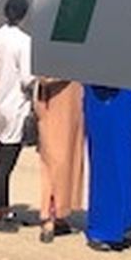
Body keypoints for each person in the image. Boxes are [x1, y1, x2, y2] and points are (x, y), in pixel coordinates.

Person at [0, 0, 34, 230]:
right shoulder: (24, 41)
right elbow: (27, 78)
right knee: (7, 163)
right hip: (15, 104)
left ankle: (3, 207)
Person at [83, 85, 131, 251]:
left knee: (127, 158)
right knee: (105, 159)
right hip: (101, 91)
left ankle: (125, 223)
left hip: (126, 89)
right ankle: (102, 228)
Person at [33, 77, 85, 244]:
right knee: (55, 162)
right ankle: (48, 215)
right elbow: (43, 78)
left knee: (71, 160)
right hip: (53, 107)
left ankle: (61, 212)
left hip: (75, 107)